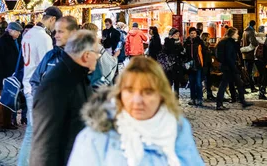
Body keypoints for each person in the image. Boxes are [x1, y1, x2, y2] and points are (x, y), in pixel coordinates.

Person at [67, 55, 205, 166]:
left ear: (161, 95)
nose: (137, 100)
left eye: (148, 92)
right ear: (119, 94)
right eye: (130, 91)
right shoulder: (96, 137)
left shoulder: (178, 129)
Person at [29, 30, 96, 166]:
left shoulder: (78, 77)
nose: (98, 57)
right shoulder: (57, 83)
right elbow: (44, 141)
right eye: (96, 53)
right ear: (86, 55)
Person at [18, 5, 63, 166]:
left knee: (33, 130)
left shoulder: (28, 34)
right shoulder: (44, 38)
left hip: (28, 83)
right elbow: (48, 65)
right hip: (38, 88)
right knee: (34, 131)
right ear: (52, 19)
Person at [30, 15, 79, 95]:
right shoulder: (50, 56)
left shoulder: (86, 57)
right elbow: (35, 81)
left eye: (60, 32)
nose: (56, 36)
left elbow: (97, 88)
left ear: (73, 33)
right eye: (56, 32)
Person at [0, 21, 23, 132]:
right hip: (2, 77)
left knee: (9, 99)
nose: (19, 34)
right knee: (0, 100)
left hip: (11, 77)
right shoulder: (1, 42)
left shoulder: (15, 41)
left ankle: (7, 122)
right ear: (11, 31)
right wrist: (4, 73)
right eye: (18, 32)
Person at [215, 27, 253, 110]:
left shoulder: (225, 42)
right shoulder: (229, 43)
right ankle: (219, 104)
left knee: (238, 83)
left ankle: (242, 100)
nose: (238, 35)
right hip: (229, 67)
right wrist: (234, 67)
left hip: (227, 66)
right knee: (224, 85)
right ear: (232, 34)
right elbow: (229, 57)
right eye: (236, 33)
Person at [184, 27, 205, 107]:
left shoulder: (200, 42)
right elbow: (185, 53)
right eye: (191, 33)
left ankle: (199, 99)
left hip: (198, 64)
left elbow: (203, 53)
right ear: (189, 34)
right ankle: (193, 98)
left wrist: (203, 64)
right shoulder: (187, 42)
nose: (193, 35)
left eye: (194, 33)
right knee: (192, 83)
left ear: (196, 34)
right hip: (190, 65)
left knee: (199, 83)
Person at [163, 27, 185, 99]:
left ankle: (176, 98)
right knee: (169, 82)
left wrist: (182, 52)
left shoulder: (179, 43)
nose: (177, 35)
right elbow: (167, 51)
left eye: (178, 34)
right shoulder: (168, 42)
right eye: (175, 34)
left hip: (177, 65)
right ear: (171, 35)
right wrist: (171, 41)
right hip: (170, 65)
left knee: (176, 82)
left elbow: (182, 53)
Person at [240, 19, 258, 93]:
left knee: (247, 72)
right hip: (250, 54)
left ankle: (246, 87)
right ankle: (251, 87)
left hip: (245, 54)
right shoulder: (251, 32)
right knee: (249, 72)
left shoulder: (245, 31)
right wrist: (257, 42)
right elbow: (253, 42)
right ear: (254, 25)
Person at [200, 31, 215, 100]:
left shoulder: (206, 45)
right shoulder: (203, 45)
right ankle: (205, 94)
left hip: (207, 64)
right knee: (205, 79)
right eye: (208, 37)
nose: (210, 38)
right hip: (205, 64)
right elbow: (205, 55)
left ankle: (209, 94)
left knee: (208, 80)